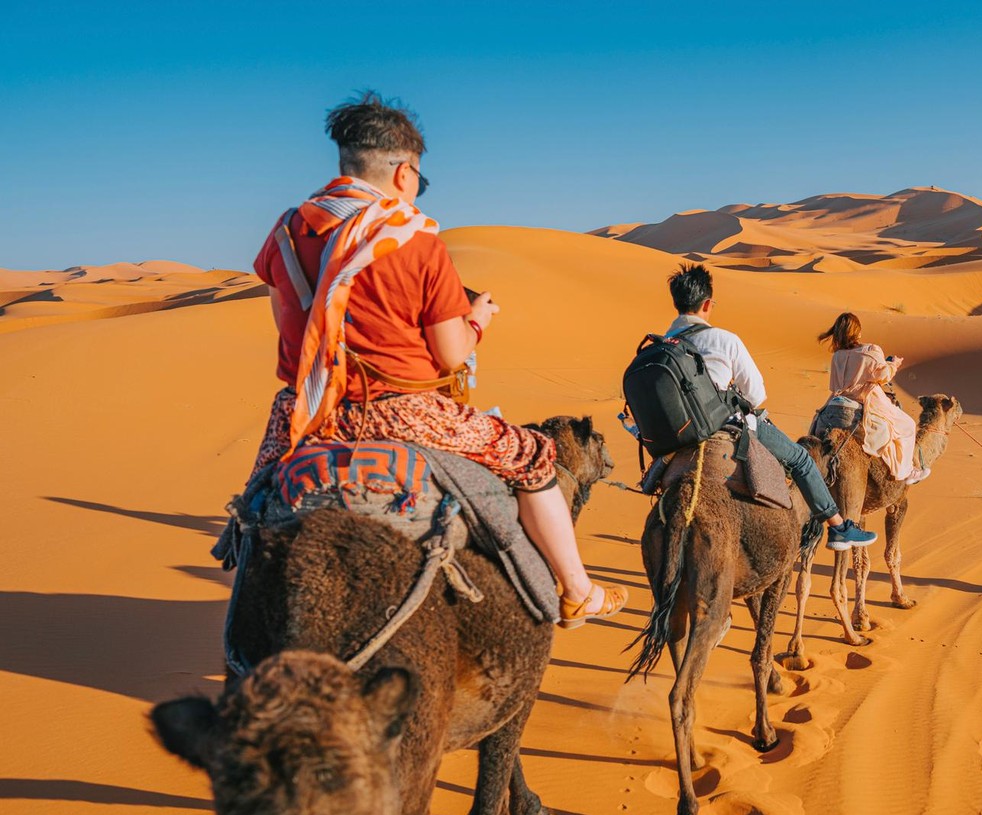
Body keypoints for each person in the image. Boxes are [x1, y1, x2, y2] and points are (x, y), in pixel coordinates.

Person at [250, 92, 626, 627]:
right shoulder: (413, 240)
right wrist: (477, 320)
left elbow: (292, 328)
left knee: (256, 504)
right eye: (418, 179)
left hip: (306, 414)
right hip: (403, 413)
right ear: (403, 173)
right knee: (535, 457)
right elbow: (452, 354)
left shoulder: (287, 234)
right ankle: (577, 590)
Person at [664, 264, 877, 551]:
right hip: (727, 426)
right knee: (801, 460)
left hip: (677, 434)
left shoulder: (662, 344)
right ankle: (839, 527)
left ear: (677, 302)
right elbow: (756, 394)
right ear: (706, 304)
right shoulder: (724, 340)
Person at [818, 313, 928, 484]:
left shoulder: (837, 356)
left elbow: (834, 386)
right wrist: (893, 364)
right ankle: (906, 472)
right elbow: (883, 376)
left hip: (836, 402)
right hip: (864, 402)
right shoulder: (870, 351)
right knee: (908, 426)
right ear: (858, 332)